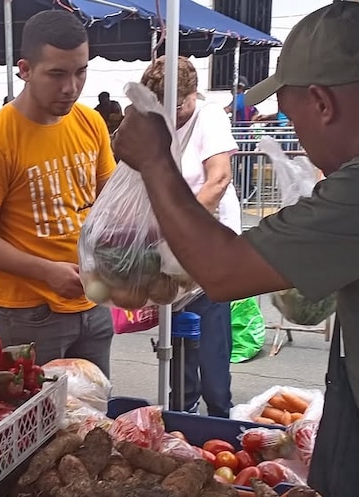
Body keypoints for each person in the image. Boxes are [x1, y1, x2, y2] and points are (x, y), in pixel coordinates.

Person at [113, 3, 359, 496]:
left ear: (322, 103)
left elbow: (224, 271)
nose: (300, 142)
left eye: (291, 118)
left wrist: (155, 161)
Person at [0, 10, 116, 375]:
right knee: (39, 410)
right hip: (30, 313)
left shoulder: (90, 122)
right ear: (25, 70)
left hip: (93, 301)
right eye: (57, 74)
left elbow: (109, 203)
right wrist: (46, 271)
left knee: (95, 405)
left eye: (81, 71)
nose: (71, 87)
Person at [141, 55, 239, 416]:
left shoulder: (208, 117)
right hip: (171, 252)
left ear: (192, 94)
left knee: (211, 338)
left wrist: (179, 227)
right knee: (178, 336)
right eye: (162, 106)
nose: (172, 113)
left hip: (208, 248)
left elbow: (219, 179)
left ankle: (219, 413)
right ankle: (182, 411)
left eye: (178, 105)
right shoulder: (159, 122)